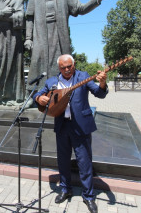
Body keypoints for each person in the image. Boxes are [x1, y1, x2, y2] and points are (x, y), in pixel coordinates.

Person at [25, 0, 117, 105]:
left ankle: (60, 97)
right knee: (37, 62)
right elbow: (29, 16)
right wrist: (28, 38)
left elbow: (79, 9)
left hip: (58, 33)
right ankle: (32, 97)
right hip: (40, 33)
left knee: (59, 65)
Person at [33, 54, 108, 213]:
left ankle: (88, 196)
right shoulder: (52, 82)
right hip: (62, 126)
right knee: (63, 160)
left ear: (74, 65)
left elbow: (99, 94)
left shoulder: (84, 77)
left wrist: (102, 82)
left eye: (69, 66)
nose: (67, 70)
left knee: (84, 162)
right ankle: (65, 189)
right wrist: (39, 98)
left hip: (80, 126)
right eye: (63, 67)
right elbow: (37, 95)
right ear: (58, 68)